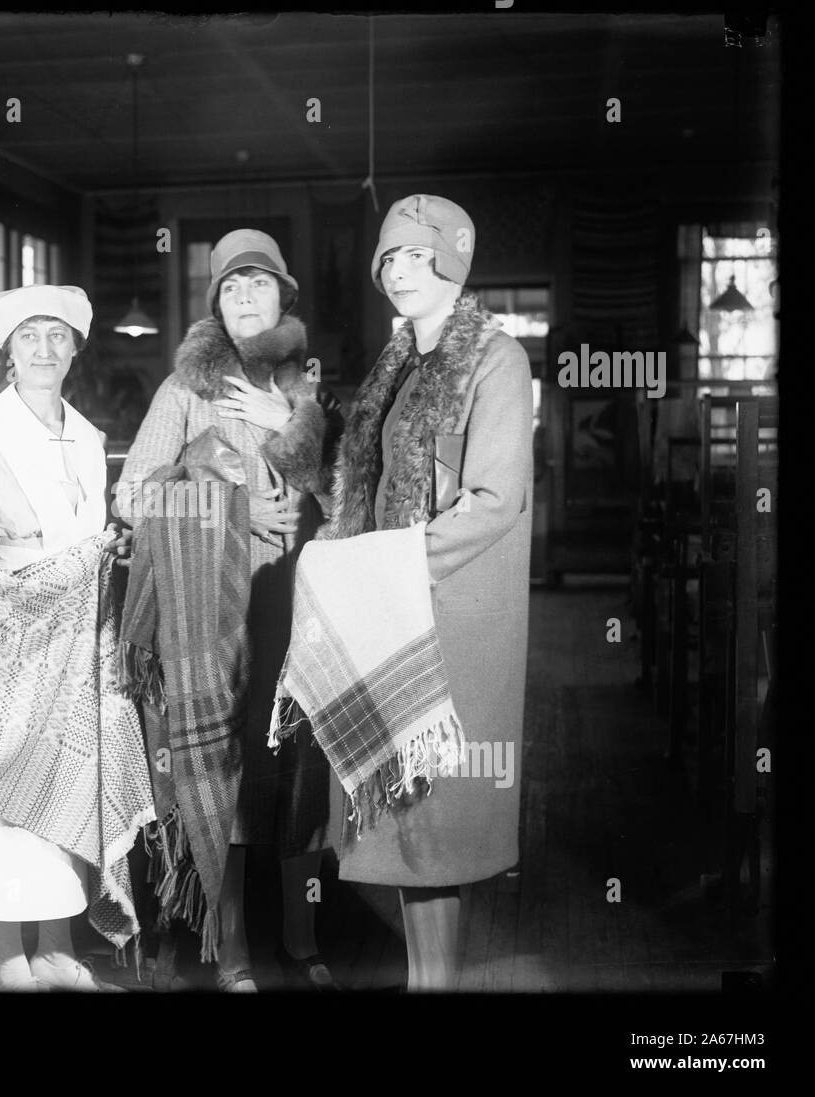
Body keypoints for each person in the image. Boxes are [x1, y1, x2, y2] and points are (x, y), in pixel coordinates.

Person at [117, 229, 342, 991]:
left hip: (301, 609)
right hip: (217, 615)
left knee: (303, 768)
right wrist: (235, 510)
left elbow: (350, 499)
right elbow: (135, 493)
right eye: (232, 286)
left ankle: (305, 943)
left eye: (260, 283)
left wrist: (290, 426)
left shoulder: (307, 388)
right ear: (216, 305)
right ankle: (234, 950)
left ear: (285, 296)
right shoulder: (186, 390)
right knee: (228, 770)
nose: (247, 296)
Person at [327, 194, 533, 989]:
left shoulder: (495, 360)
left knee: (438, 812)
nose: (399, 272)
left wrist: (395, 562)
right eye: (389, 259)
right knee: (408, 817)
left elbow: (494, 500)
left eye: (418, 256)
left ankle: (434, 982)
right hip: (391, 610)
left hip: (449, 609)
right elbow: (362, 485)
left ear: (453, 262)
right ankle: (427, 980)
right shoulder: (396, 364)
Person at [0, 284, 131, 990]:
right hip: (1, 641)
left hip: (74, 645)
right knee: (2, 799)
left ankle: (56, 946)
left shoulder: (93, 439)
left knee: (63, 789)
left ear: (75, 350)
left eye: (57, 336)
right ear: (8, 355)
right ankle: (10, 955)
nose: (44, 349)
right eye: (29, 337)